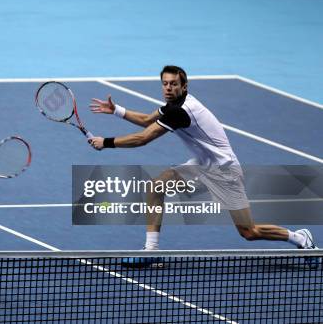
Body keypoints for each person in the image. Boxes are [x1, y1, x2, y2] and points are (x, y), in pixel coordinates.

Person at [88, 66, 319, 266]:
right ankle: (151, 250)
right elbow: (148, 119)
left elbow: (143, 138)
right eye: (165, 84)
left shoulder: (180, 111)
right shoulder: (173, 105)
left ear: (184, 86)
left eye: (173, 84)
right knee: (156, 187)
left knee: (249, 232)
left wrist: (106, 142)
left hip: (224, 170)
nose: (168, 88)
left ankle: (299, 238)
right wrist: (116, 110)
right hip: (202, 165)